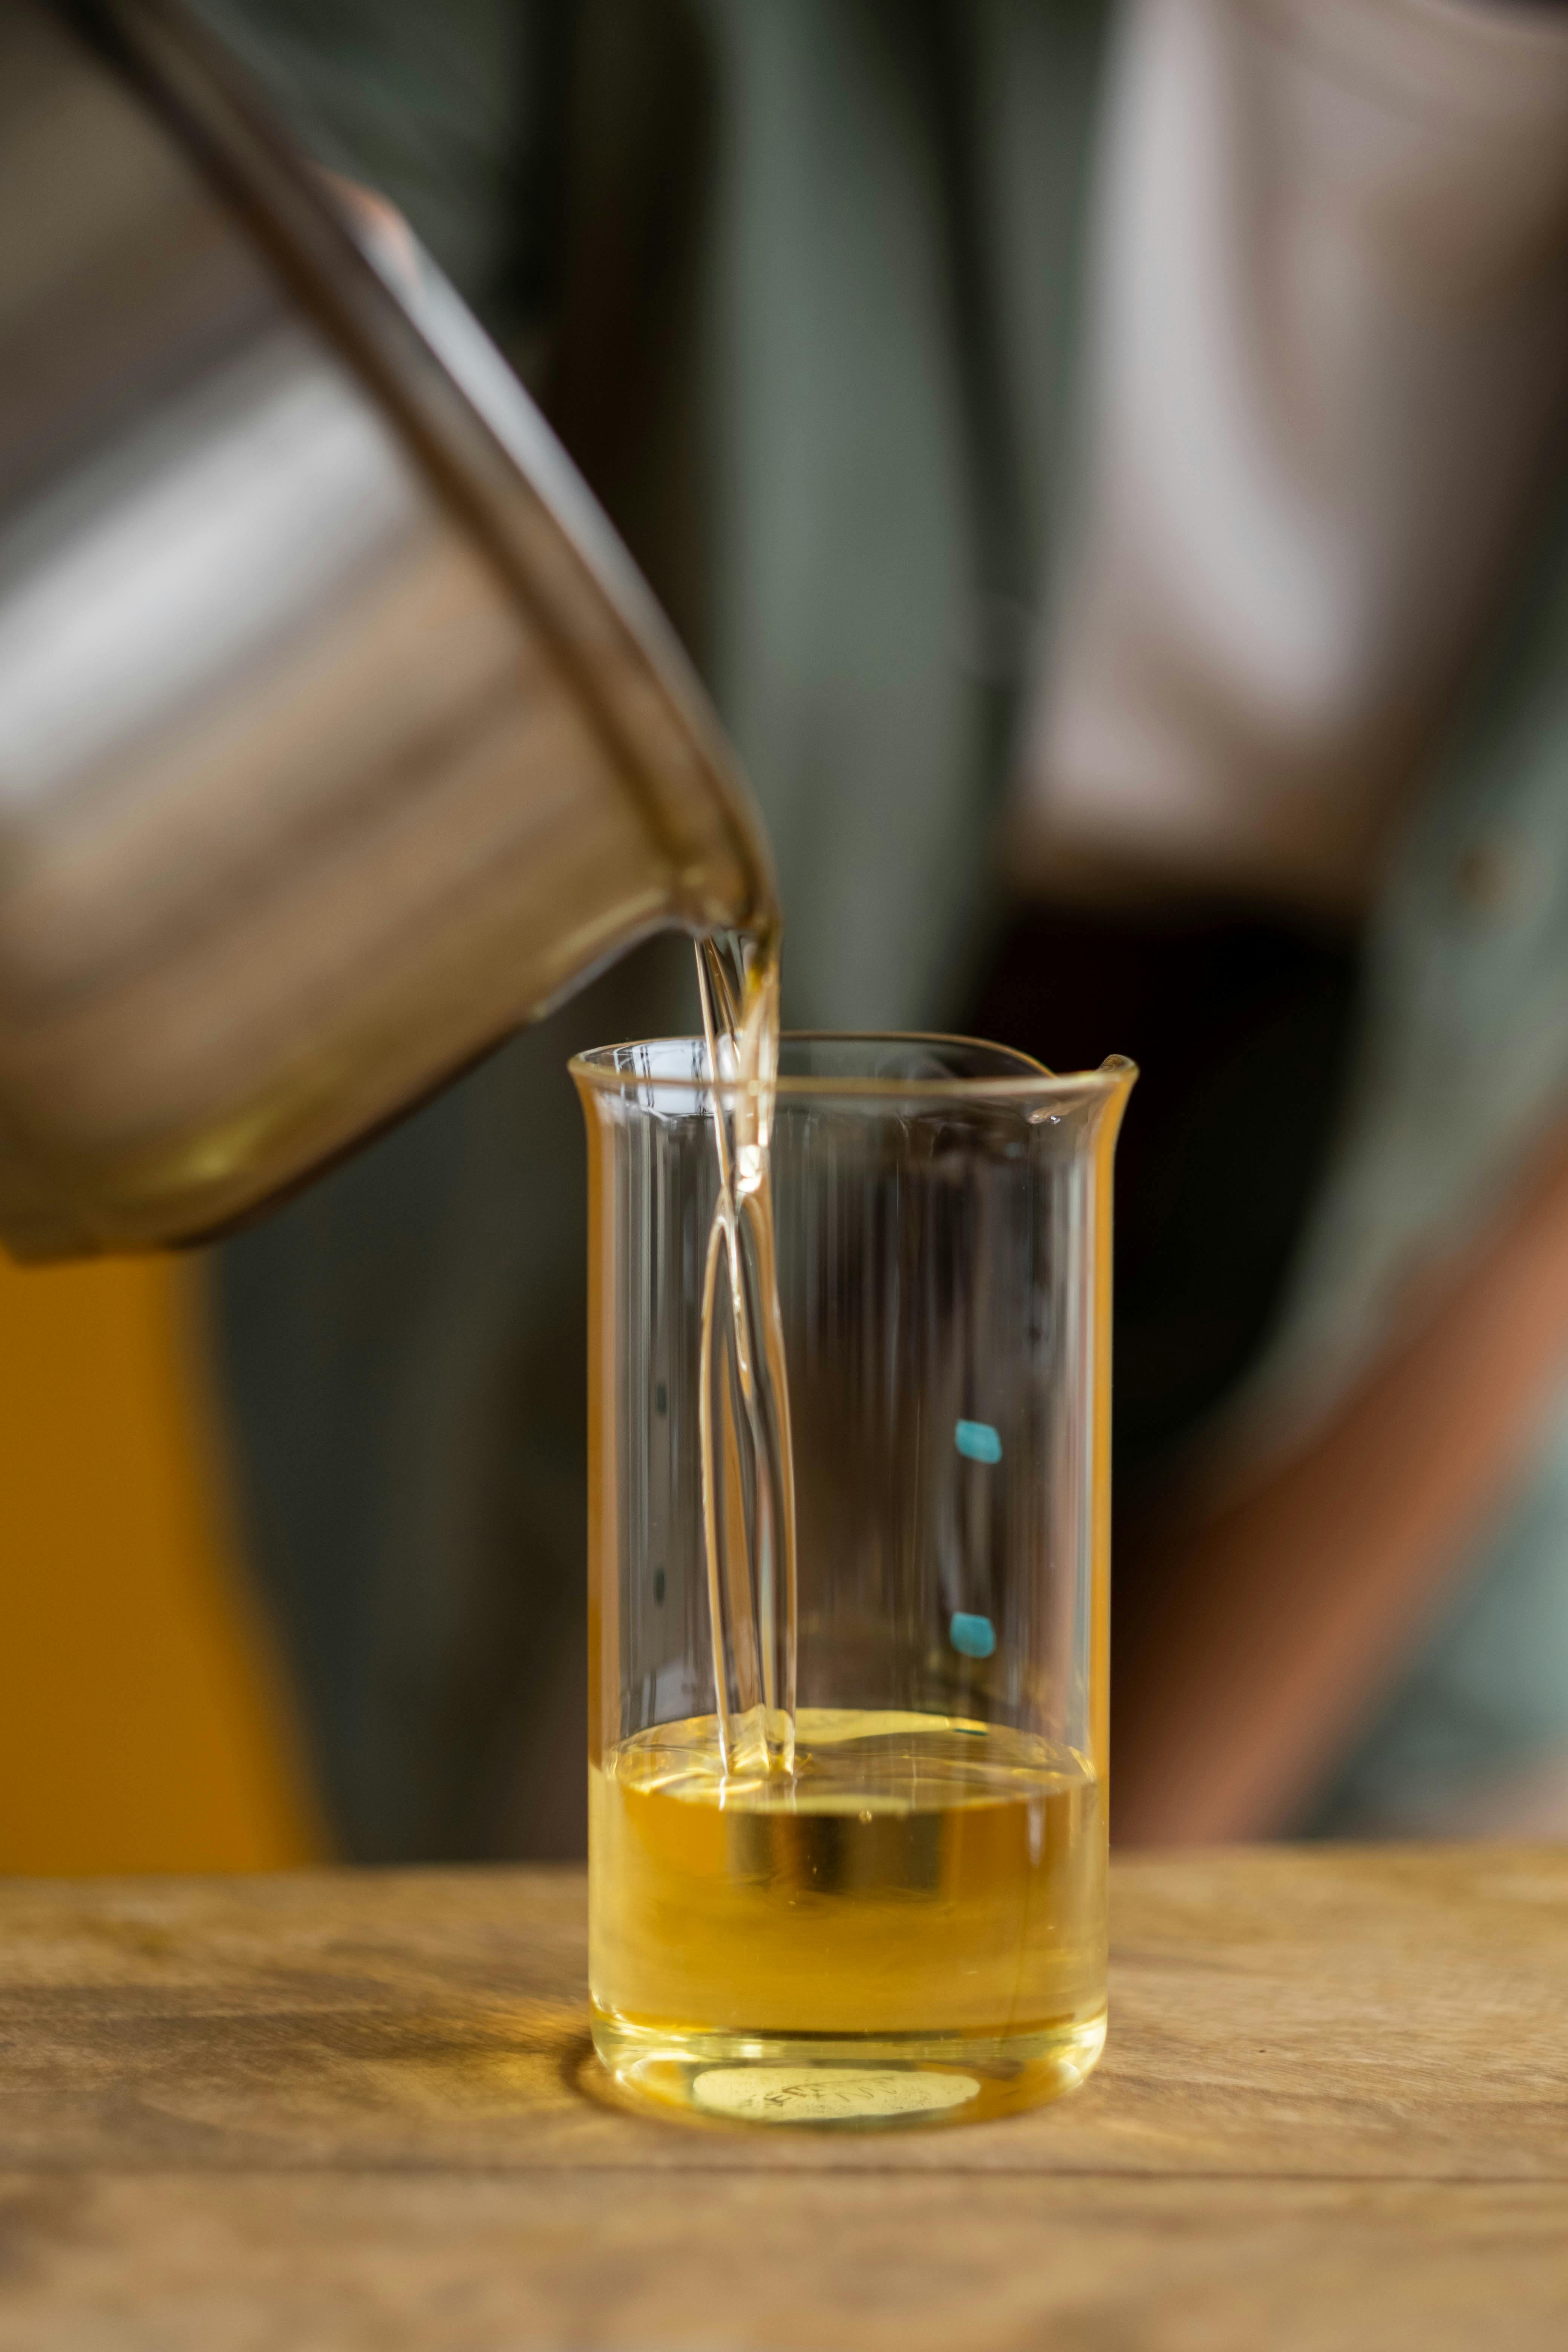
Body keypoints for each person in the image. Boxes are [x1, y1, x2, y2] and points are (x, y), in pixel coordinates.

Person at [195, 0, 1568, 1855]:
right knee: (544, 1979)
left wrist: (1114, 1899)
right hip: (598, 1286)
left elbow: (1528, 1184)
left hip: (1383, 1406)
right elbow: (208, 232)